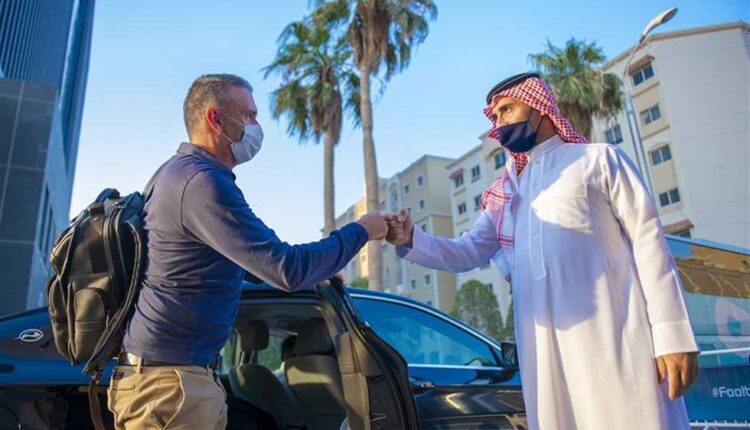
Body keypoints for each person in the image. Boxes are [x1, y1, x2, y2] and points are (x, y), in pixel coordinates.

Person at [385, 72, 699, 429]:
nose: (499, 122)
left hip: (614, 338)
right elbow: (467, 252)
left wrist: (672, 335)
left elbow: (649, 242)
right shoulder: (507, 193)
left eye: (507, 109)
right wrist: (411, 239)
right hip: (544, 353)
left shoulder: (598, 160)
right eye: (495, 115)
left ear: (539, 107)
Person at [107, 74, 387, 429]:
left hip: (173, 381)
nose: (256, 125)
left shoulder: (180, 175)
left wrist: (317, 273)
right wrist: (361, 231)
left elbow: (243, 263)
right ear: (215, 118)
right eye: (250, 115)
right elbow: (285, 268)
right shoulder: (201, 182)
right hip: (171, 387)